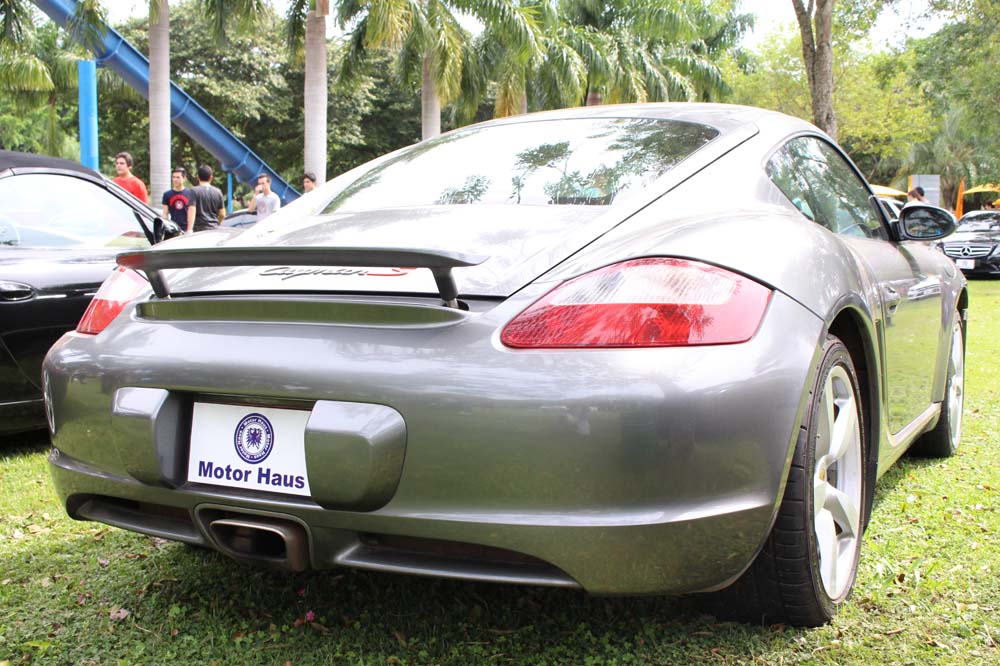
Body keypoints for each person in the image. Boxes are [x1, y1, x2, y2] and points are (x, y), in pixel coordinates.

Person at [190, 164, 226, 233]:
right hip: (214, 229)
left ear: (198, 177)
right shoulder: (218, 192)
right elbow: (222, 214)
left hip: (198, 229)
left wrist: (189, 229)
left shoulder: (194, 191)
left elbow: (192, 210)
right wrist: (217, 223)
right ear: (211, 178)